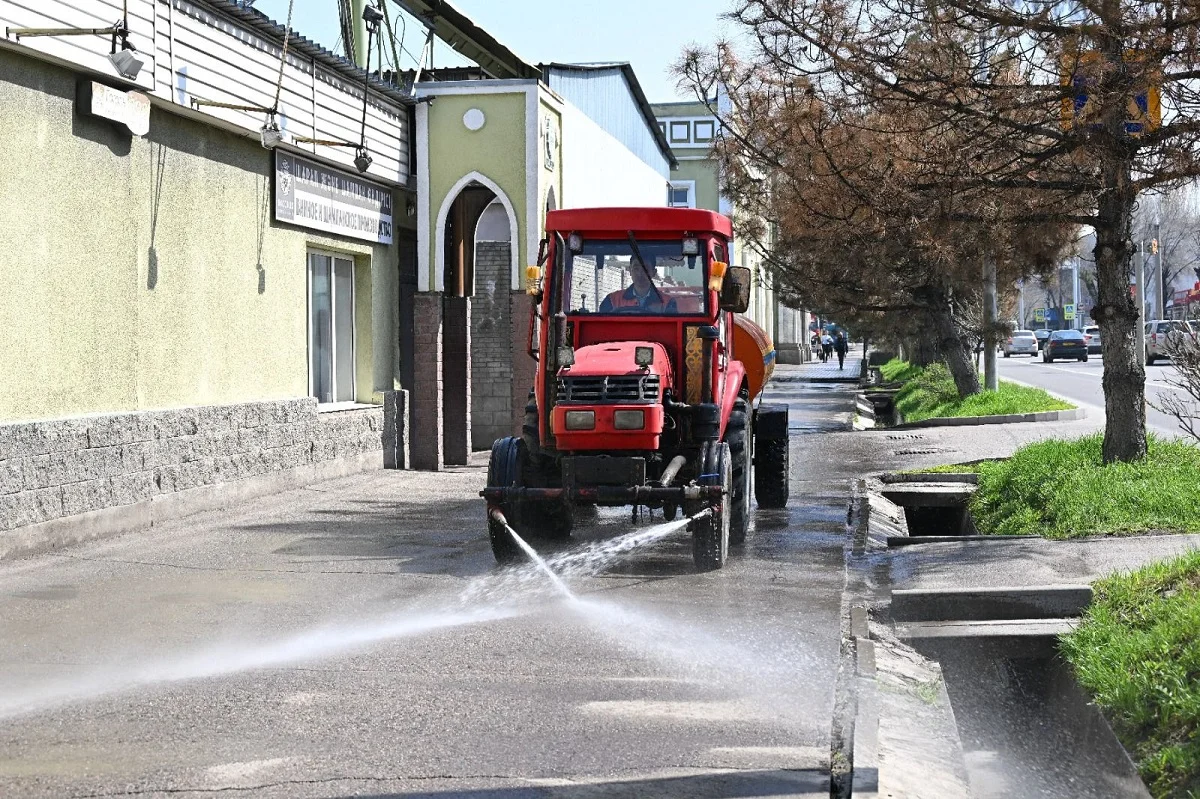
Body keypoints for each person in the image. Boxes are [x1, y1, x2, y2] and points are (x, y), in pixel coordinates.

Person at [599, 255, 677, 313]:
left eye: (645, 269)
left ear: (654, 272)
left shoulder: (668, 302)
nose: (640, 273)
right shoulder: (612, 300)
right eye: (636, 268)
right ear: (630, 270)